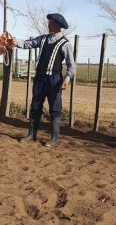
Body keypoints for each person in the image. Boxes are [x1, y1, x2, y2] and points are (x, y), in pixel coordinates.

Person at [14, 13, 76, 147]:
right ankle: (31, 135)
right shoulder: (42, 39)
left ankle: (54, 138)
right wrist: (12, 40)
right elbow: (26, 44)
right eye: (49, 23)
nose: (49, 25)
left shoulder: (65, 44)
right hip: (40, 78)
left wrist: (67, 79)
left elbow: (71, 66)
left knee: (55, 108)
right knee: (35, 106)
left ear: (59, 26)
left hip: (54, 80)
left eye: (52, 23)